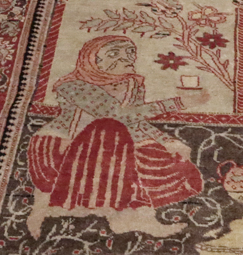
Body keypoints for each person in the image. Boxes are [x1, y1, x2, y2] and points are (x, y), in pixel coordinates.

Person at [26, 35, 202, 238]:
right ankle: (126, 216)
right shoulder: (73, 85)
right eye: (114, 53)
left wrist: (168, 141)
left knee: (164, 157)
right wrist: (177, 103)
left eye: (130, 52)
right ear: (93, 60)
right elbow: (115, 114)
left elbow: (134, 121)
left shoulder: (132, 84)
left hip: (114, 141)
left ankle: (136, 215)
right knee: (107, 127)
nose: (125, 57)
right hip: (61, 145)